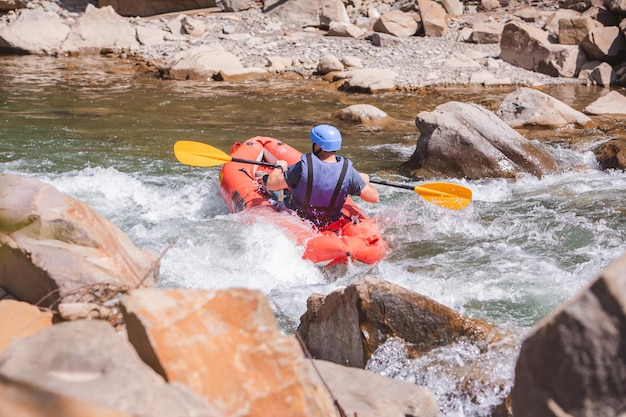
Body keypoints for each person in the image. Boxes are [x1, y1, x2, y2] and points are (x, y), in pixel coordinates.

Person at [266, 124, 379, 228]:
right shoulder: (348, 172)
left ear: (318, 146)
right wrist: (365, 182)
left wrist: (279, 168)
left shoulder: (302, 166)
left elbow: (271, 184)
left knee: (272, 189)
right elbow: (374, 198)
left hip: (297, 220)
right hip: (329, 223)